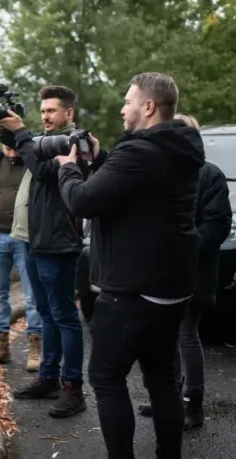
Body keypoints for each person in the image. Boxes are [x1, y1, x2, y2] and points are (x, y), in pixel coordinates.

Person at [55, 72, 205, 458]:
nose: (123, 108)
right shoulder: (180, 148)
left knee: (105, 378)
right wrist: (103, 158)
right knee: (161, 380)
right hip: (172, 289)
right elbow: (136, 186)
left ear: (148, 107)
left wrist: (68, 169)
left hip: (133, 290)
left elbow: (84, 202)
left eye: (128, 101)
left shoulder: (139, 152)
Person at [0, 86, 87, 418]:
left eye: (52, 110)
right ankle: (48, 377)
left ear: (69, 113)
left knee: (64, 315)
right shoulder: (40, 144)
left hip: (58, 244)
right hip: (33, 241)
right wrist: (8, 129)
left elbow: (46, 172)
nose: (46, 116)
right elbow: (20, 152)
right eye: (43, 110)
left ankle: (73, 389)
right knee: (47, 313)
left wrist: (22, 133)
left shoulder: (74, 143)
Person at [138, 114, 232, 431]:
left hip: (194, 274)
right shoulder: (160, 174)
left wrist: (183, 249)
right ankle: (168, 398)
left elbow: (217, 225)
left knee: (186, 336)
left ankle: (194, 404)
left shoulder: (209, 175)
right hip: (161, 275)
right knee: (165, 338)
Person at [0, 128, 43, 372]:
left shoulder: (33, 164)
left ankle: (36, 345)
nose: (12, 152)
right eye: (7, 148)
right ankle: (1, 345)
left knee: (33, 295)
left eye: (15, 148)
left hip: (25, 239)